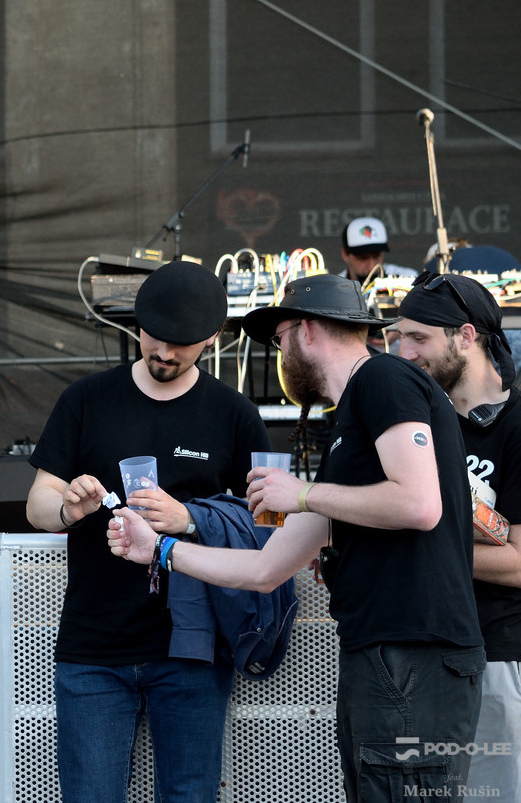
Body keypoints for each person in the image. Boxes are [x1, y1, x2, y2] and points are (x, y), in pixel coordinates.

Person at [110, 273, 486, 803]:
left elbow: (420, 505)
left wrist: (303, 493)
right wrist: (161, 550)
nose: (280, 352)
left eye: (279, 338)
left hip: (414, 654)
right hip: (380, 655)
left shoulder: (382, 378)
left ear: (306, 330)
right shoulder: (351, 420)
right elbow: (265, 570)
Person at [24, 260, 273, 803]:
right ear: (137, 325)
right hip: (93, 644)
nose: (163, 352)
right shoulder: (85, 399)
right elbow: (37, 505)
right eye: (153, 337)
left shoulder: (233, 414)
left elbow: (270, 527)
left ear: (212, 337)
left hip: (193, 645)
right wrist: (69, 508)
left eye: (180, 345)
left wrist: (191, 518)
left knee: (189, 794)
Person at [395, 273, 521, 800]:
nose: (403, 353)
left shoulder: (515, 425)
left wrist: (418, 549)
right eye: (398, 337)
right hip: (414, 658)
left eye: (418, 338)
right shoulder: (417, 422)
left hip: (496, 652)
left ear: (466, 336)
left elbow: (519, 563)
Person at [338, 216, 417, 283]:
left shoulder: (409, 278)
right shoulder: (335, 289)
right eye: (363, 258)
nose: (372, 266)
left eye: (376, 256)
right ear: (345, 255)